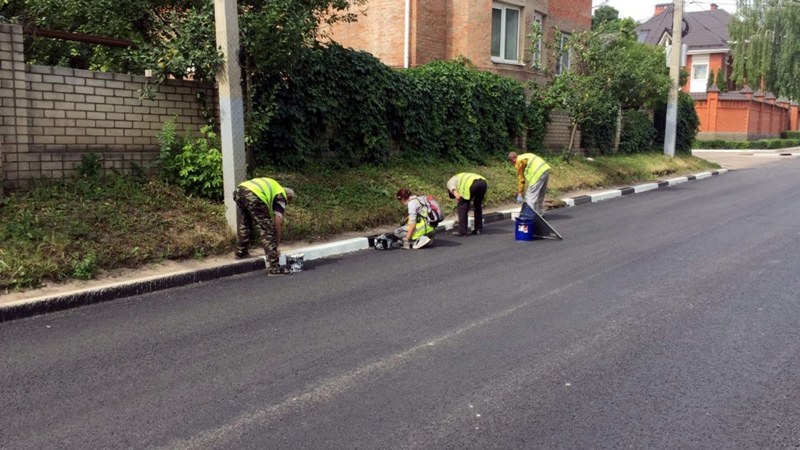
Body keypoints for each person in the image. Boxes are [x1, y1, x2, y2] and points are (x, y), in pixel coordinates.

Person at [233, 177, 295, 276]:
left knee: (246, 223)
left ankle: (241, 252)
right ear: (288, 196)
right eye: (288, 201)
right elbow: (277, 225)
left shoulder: (274, 187)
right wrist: (276, 246)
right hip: (254, 195)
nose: (285, 204)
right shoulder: (281, 196)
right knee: (267, 230)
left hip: (239, 191)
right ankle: (274, 267)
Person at [508, 151, 550, 217]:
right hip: (545, 170)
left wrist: (520, 193)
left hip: (537, 174)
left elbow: (521, 179)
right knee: (540, 196)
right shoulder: (525, 156)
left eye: (511, 161)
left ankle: (528, 216)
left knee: (529, 196)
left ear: (512, 159)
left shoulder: (518, 162)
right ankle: (541, 214)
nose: (512, 163)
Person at [446, 172, 488, 236]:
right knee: (477, 206)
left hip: (471, 184)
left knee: (461, 208)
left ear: (449, 191)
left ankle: (462, 231)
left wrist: (464, 204)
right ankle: (478, 229)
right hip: (483, 182)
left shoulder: (449, 183)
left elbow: (458, 197)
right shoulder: (459, 176)